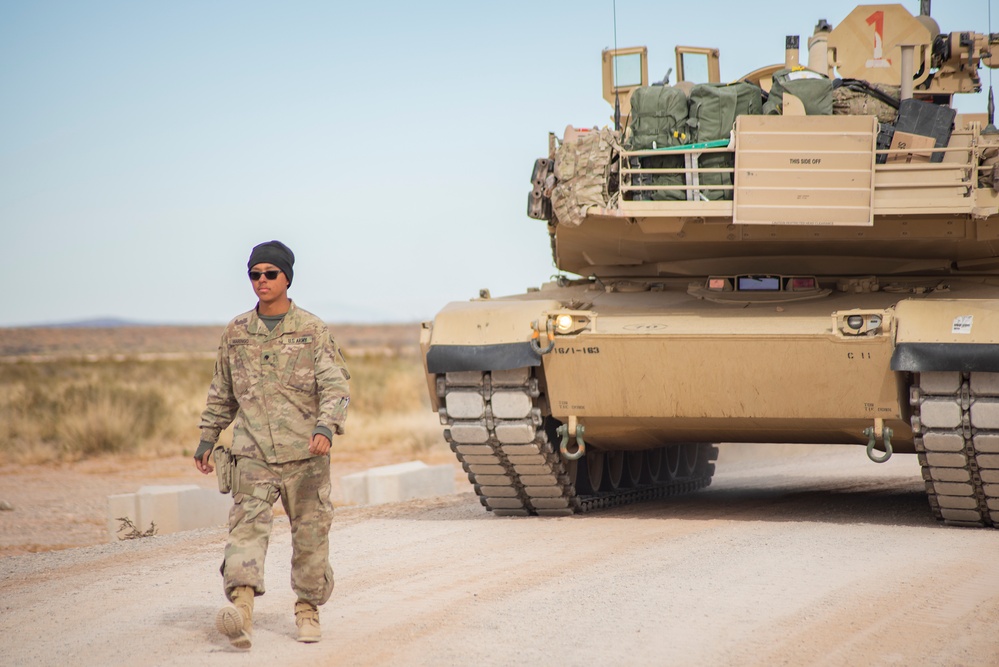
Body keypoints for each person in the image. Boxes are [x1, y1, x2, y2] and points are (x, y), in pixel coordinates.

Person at [194, 240, 350, 649]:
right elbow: (222, 391)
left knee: (311, 537)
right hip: (253, 453)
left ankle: (307, 609)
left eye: (270, 274)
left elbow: (336, 384)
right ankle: (241, 611)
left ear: (286, 278)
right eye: (254, 274)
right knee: (246, 530)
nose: (261, 281)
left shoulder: (312, 330)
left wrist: (326, 427)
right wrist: (208, 437)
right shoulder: (236, 332)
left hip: (307, 454)